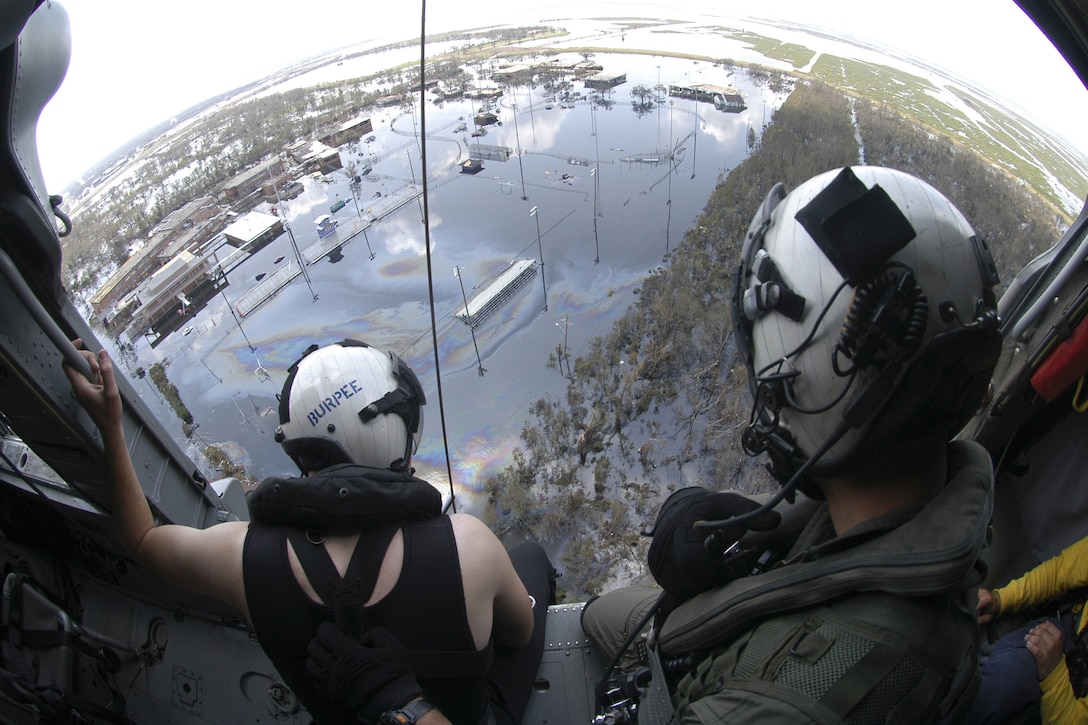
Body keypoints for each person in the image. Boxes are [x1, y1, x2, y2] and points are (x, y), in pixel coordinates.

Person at [580, 166, 1003, 722]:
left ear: (798, 391)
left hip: (740, 669)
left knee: (596, 617)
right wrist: (759, 524)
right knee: (601, 615)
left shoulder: (782, 707)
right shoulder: (953, 504)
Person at [64, 337, 553, 725]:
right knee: (529, 559)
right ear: (387, 429)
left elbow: (144, 541)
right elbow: (519, 633)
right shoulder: (467, 543)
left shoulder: (243, 558)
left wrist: (111, 426)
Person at [968, 537, 1088, 723]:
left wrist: (1053, 672)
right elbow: (1060, 571)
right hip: (1070, 629)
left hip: (1064, 679)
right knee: (1001, 681)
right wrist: (1002, 600)